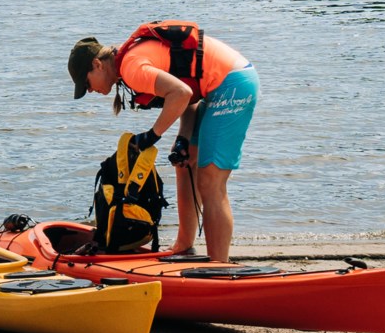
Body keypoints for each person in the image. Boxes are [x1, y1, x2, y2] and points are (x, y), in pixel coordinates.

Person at [67, 21, 257, 263]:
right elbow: (189, 91)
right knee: (184, 163)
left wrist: (152, 135)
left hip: (232, 84)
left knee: (211, 182)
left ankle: (219, 265)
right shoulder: (129, 64)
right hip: (218, 85)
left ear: (96, 65)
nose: (90, 91)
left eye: (87, 84)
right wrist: (183, 138)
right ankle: (184, 246)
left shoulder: (132, 67)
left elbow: (181, 93)